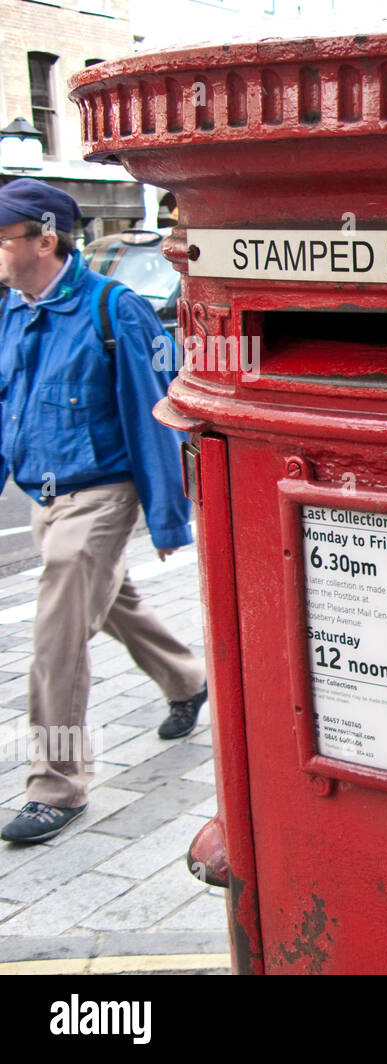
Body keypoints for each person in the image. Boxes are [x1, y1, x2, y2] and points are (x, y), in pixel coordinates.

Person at [0, 179, 206, 845]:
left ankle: (56, 783)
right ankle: (186, 678)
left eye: (3, 237)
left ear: (44, 238)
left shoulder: (113, 311)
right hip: (45, 496)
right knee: (112, 599)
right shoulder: (13, 310)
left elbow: (156, 418)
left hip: (102, 494)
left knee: (56, 640)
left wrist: (170, 518)